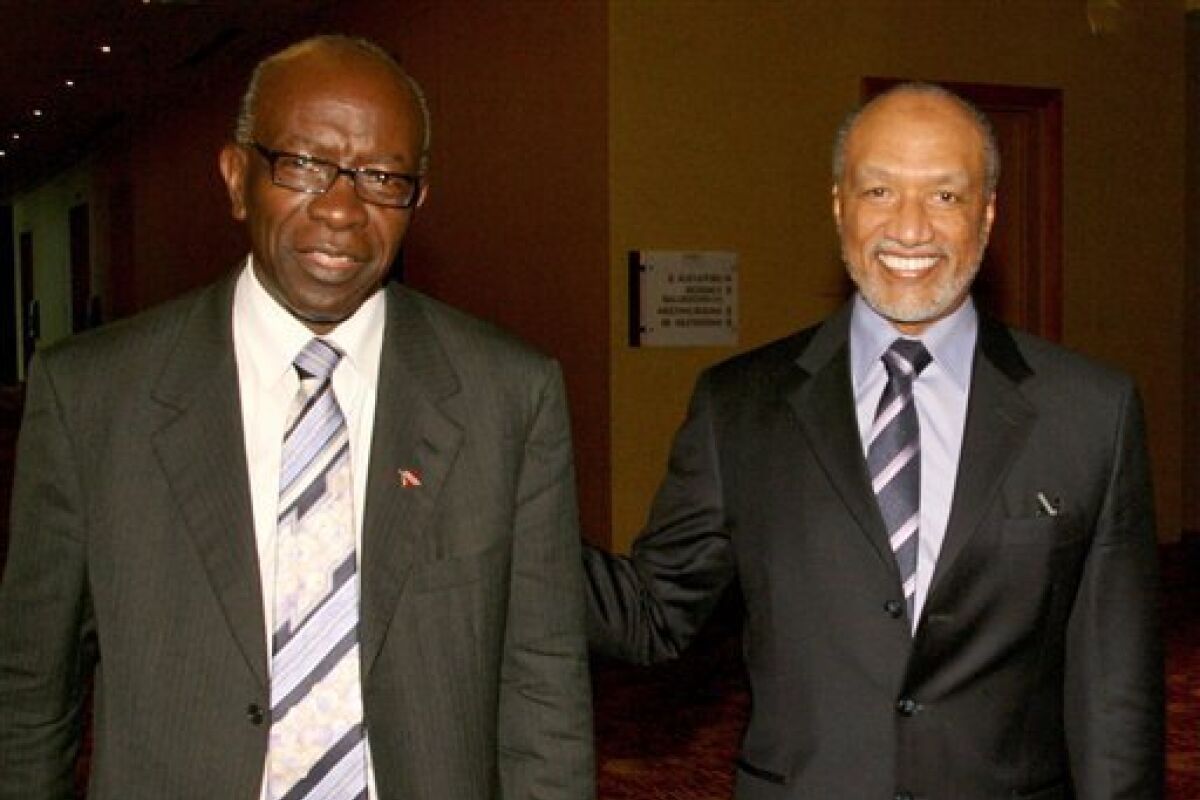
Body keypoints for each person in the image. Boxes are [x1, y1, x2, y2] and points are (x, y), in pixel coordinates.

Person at [0, 35, 593, 800]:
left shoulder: (506, 395)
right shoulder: (94, 398)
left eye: (382, 177)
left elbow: (545, 689)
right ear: (237, 177)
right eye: (306, 164)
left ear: (418, 200)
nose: (344, 209)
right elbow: (30, 693)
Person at [585, 82, 1162, 799]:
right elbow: (651, 615)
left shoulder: (1089, 411)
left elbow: (1116, 690)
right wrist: (495, 514)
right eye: (880, 191)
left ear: (987, 214)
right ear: (839, 206)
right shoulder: (739, 407)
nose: (911, 229)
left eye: (945, 197)